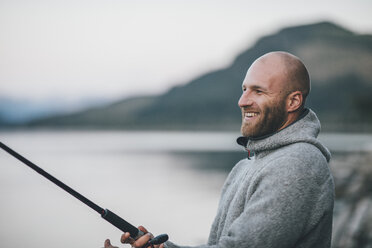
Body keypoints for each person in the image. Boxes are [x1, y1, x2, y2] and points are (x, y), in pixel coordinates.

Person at [104, 51, 335, 248]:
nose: (242, 101)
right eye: (244, 89)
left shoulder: (298, 163)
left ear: (293, 101)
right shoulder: (245, 166)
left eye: (258, 91)